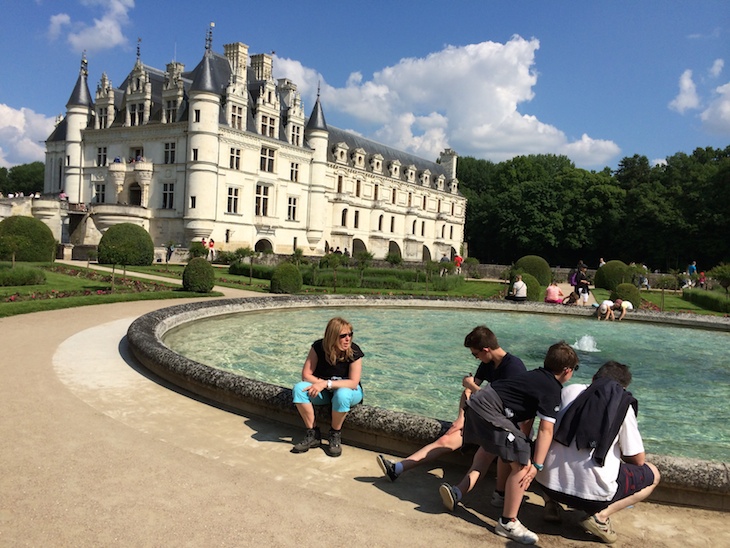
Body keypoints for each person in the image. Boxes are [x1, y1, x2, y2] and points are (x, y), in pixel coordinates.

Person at [439, 342, 579, 545]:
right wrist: (537, 465)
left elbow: (524, 421)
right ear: (567, 371)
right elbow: (546, 429)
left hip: (479, 405)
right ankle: (508, 522)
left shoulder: (535, 376)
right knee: (523, 466)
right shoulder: (552, 389)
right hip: (488, 410)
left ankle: (499, 497)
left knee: (513, 453)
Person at [376, 326, 526, 508]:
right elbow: (468, 392)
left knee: (482, 456)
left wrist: (473, 387)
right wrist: (461, 418)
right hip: (481, 419)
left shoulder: (514, 368)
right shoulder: (487, 363)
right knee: (447, 439)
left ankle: (457, 493)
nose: (475, 358)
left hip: (501, 425)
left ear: (486, 349)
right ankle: (397, 468)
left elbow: (505, 407)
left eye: (475, 354)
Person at [536, 361, 660, 544]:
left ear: (594, 378)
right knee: (653, 474)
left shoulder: (569, 390)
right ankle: (600, 518)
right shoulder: (622, 405)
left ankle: (551, 504)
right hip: (594, 499)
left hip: (547, 484)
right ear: (624, 388)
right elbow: (638, 459)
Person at [291, 317, 363, 458]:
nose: (348, 339)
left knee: (342, 394)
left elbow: (353, 382)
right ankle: (313, 433)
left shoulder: (354, 351)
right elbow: (306, 375)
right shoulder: (318, 347)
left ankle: (335, 434)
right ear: (332, 336)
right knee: (299, 389)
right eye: (343, 336)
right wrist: (321, 384)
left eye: (350, 334)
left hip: (349, 391)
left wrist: (326, 384)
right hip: (324, 391)